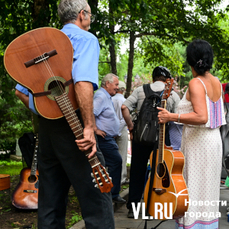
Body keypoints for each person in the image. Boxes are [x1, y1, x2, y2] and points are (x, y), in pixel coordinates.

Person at [15, 0, 115, 228]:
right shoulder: (85, 39)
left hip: (47, 131)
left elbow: (20, 91)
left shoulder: (44, 43)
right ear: (82, 15)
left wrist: (47, 111)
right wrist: (89, 126)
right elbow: (82, 82)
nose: (90, 19)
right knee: (97, 197)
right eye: (90, 14)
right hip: (76, 128)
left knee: (50, 201)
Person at [158, 39, 226, 229]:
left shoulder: (196, 83)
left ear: (191, 60)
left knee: (193, 188)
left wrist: (171, 116)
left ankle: (192, 225)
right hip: (213, 141)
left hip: (199, 143)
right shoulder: (217, 82)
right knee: (208, 189)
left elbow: (202, 116)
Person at [121, 66, 180, 218]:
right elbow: (177, 117)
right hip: (160, 140)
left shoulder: (140, 90)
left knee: (137, 172)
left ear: (153, 78)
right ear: (167, 80)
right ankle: (152, 207)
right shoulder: (172, 94)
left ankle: (132, 209)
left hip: (140, 138)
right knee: (158, 173)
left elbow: (124, 107)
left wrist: (131, 127)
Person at [93, 73, 126, 204]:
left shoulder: (107, 96)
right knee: (116, 161)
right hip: (103, 138)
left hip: (109, 138)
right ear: (107, 83)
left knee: (111, 163)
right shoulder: (101, 96)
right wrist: (95, 129)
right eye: (116, 84)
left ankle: (110, 193)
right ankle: (112, 194)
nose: (117, 88)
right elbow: (90, 112)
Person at [112, 81, 129, 185]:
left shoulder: (110, 99)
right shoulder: (125, 101)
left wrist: (113, 132)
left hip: (110, 130)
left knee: (110, 155)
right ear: (124, 90)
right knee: (122, 154)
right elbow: (124, 119)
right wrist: (117, 131)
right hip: (121, 130)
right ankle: (121, 178)